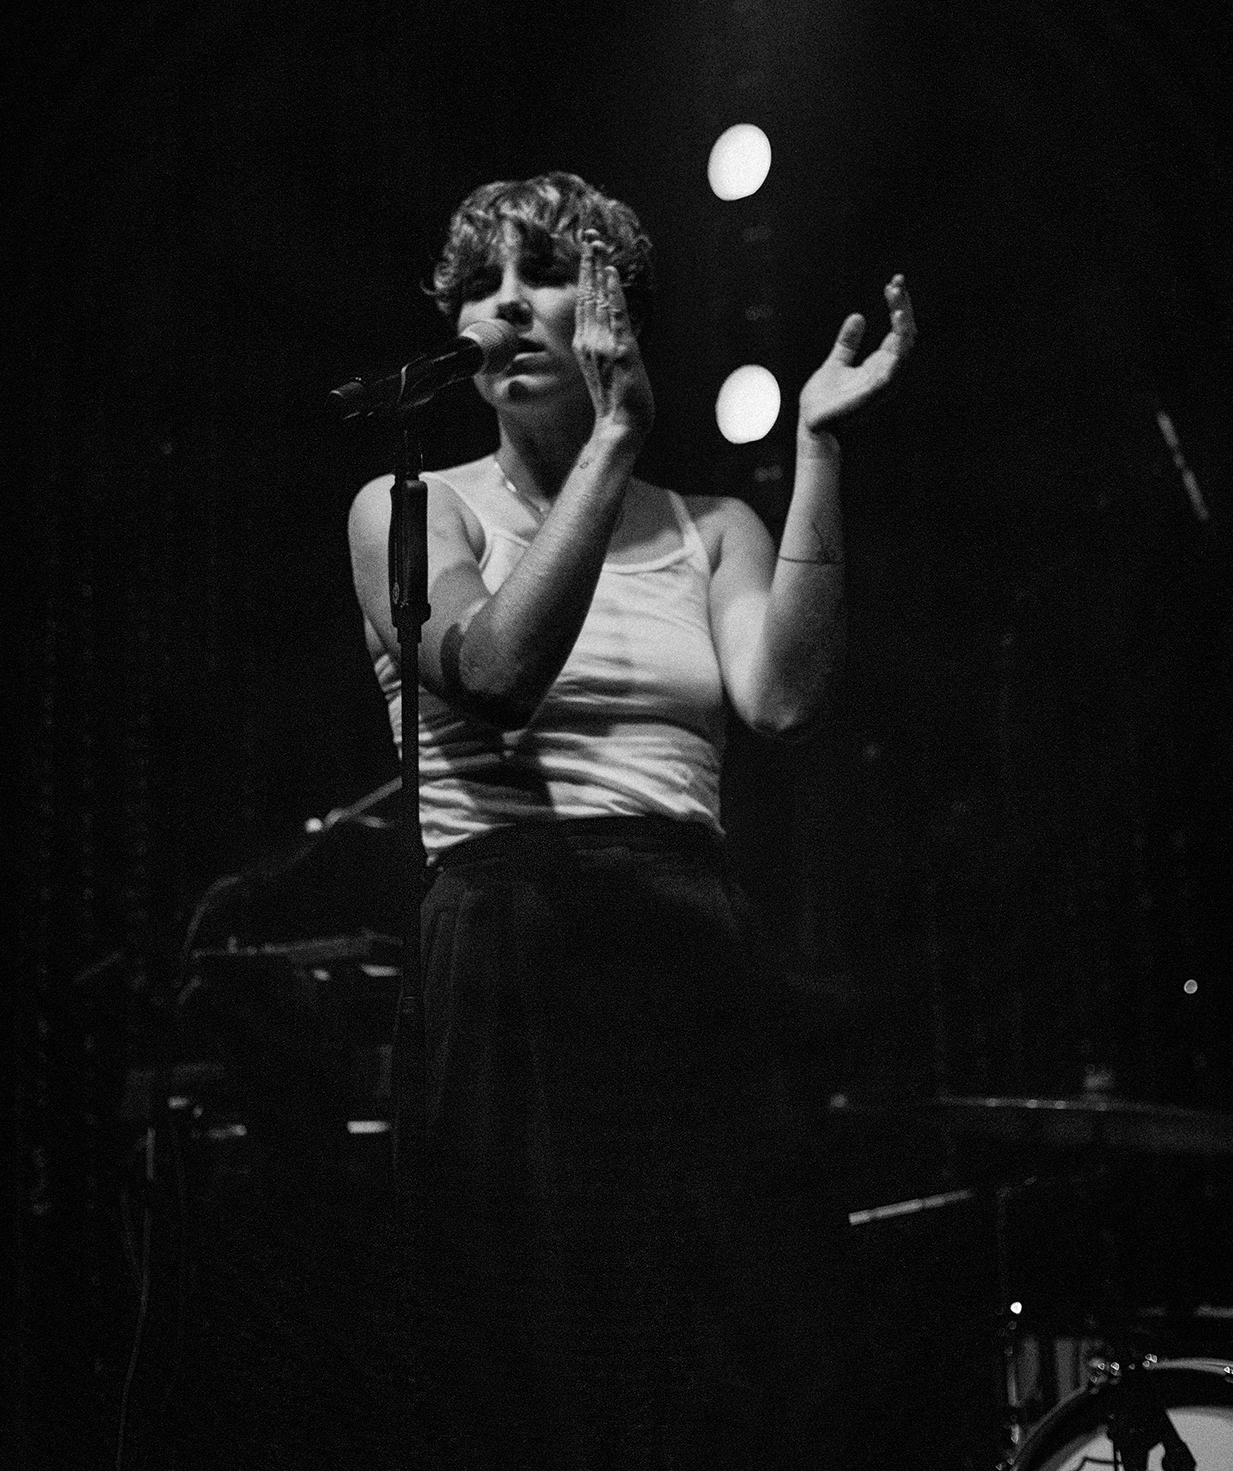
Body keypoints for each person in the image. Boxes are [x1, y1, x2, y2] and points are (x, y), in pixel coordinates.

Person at [348, 171, 915, 1471]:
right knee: (529, 1366)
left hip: (686, 942)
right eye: (480, 286)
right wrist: (614, 440)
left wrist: (819, 446)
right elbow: (495, 672)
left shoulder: (710, 527)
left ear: (617, 307)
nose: (507, 306)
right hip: (506, 941)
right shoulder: (412, 507)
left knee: (715, 1361)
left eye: (545, 274)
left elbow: (781, 697)